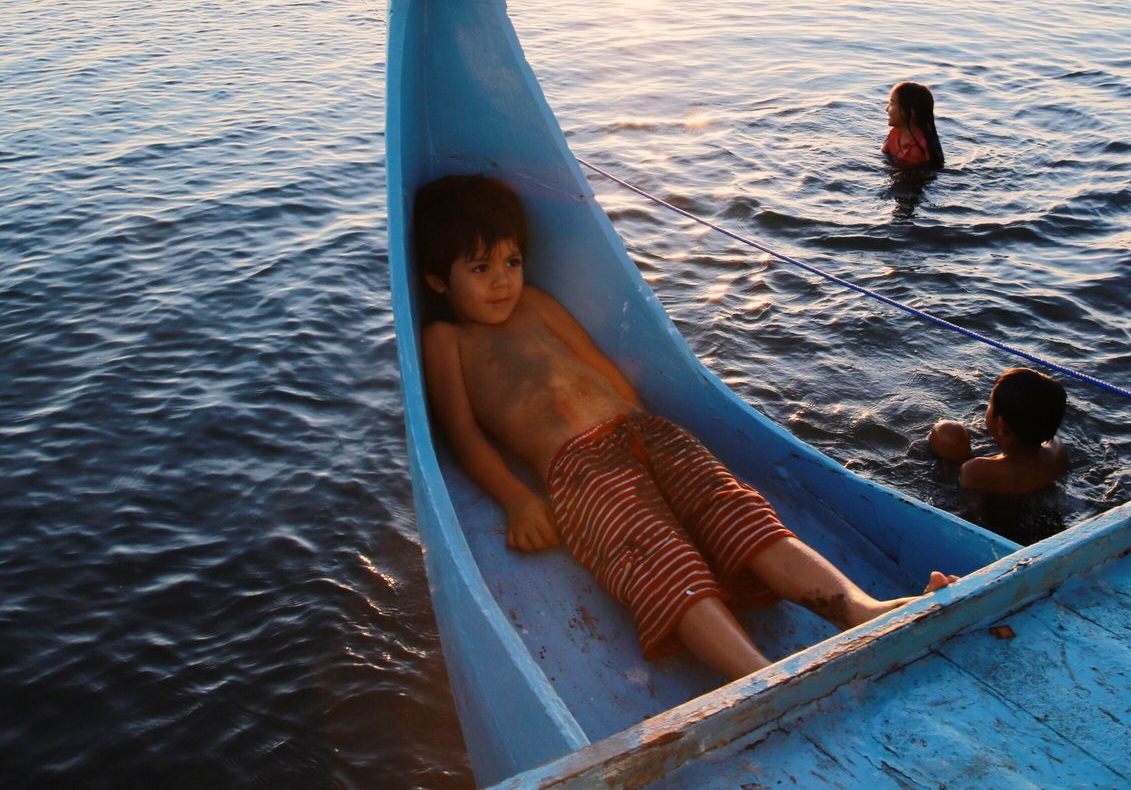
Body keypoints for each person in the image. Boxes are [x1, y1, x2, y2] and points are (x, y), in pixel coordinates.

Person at [416, 173, 957, 680]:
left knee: (736, 510)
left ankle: (859, 608)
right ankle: (754, 673)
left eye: (511, 261)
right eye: (480, 269)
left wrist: (649, 427)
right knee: (656, 552)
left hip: (647, 432)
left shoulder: (536, 303)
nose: (503, 281)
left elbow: (600, 366)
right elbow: (463, 435)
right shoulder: (448, 342)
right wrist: (518, 500)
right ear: (439, 279)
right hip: (578, 468)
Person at [929, 368, 1068, 494]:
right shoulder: (1057, 452)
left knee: (948, 432)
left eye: (990, 403)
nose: (987, 408)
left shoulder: (975, 471)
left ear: (1002, 426)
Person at [882, 81, 944, 169]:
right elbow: (884, 153)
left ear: (911, 113)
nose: (886, 109)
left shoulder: (920, 150)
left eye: (892, 104)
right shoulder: (895, 133)